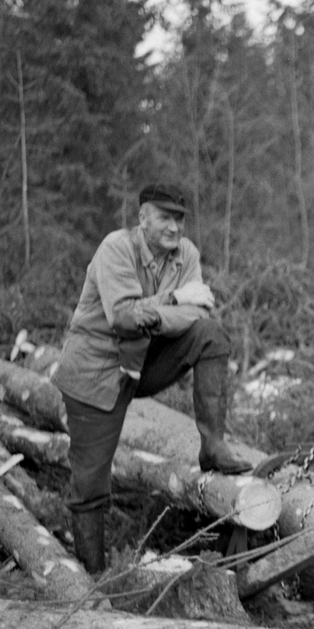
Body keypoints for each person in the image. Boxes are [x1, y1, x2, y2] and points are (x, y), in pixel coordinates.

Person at [54, 183, 250, 574]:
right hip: (97, 370)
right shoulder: (116, 248)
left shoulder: (187, 254)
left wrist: (160, 315)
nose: (175, 228)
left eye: (179, 219)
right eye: (165, 217)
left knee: (211, 333)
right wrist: (176, 301)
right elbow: (123, 318)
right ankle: (93, 578)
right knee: (90, 482)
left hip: (145, 361)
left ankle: (212, 445)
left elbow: (198, 315)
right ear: (143, 217)